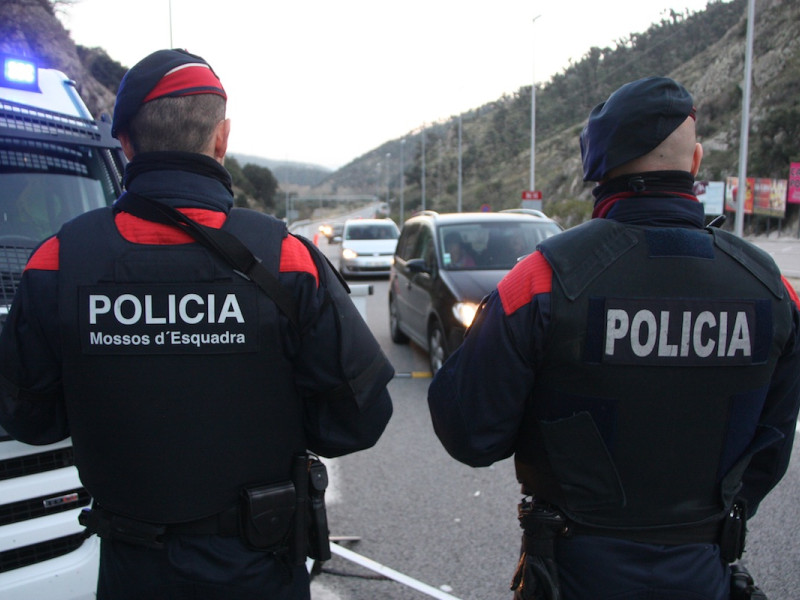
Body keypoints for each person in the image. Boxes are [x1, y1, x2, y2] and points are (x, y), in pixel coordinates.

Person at [0, 49, 394, 600]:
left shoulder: (57, 262)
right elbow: (361, 418)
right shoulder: (284, 259)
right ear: (221, 139)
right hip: (258, 567)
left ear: (127, 144)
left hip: (130, 570)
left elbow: (29, 420)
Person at [428, 77, 800, 599]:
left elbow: (469, 432)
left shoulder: (541, 280)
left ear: (596, 171)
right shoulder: (773, 289)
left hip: (572, 572)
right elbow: (772, 447)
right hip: (703, 571)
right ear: (694, 164)